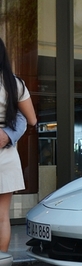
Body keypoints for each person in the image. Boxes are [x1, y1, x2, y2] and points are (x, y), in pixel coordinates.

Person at [0, 37, 37, 253]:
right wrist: (8, 133)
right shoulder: (14, 83)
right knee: (2, 216)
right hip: (6, 155)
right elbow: (31, 119)